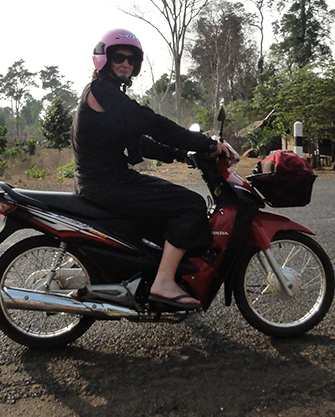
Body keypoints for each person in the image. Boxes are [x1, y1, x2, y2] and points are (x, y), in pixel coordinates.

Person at [72, 28, 232, 310]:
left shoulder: (106, 95)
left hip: (103, 181)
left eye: (132, 60)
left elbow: (141, 142)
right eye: (119, 57)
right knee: (190, 204)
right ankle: (163, 283)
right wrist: (206, 144)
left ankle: (153, 274)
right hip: (108, 183)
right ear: (104, 59)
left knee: (164, 211)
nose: (126, 64)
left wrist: (183, 155)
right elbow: (152, 124)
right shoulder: (101, 91)